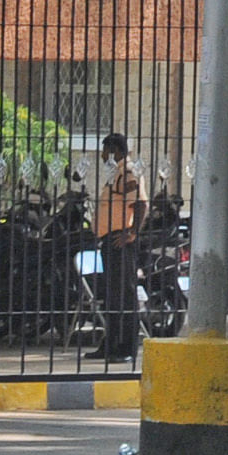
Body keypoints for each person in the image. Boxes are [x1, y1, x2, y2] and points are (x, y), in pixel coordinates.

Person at [95, 132, 145, 361]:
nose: (103, 155)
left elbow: (140, 204)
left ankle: (125, 349)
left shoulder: (127, 172)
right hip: (110, 240)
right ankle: (109, 345)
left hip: (119, 242)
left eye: (105, 150)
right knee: (113, 296)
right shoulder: (117, 173)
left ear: (115, 150)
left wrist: (132, 232)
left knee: (124, 295)